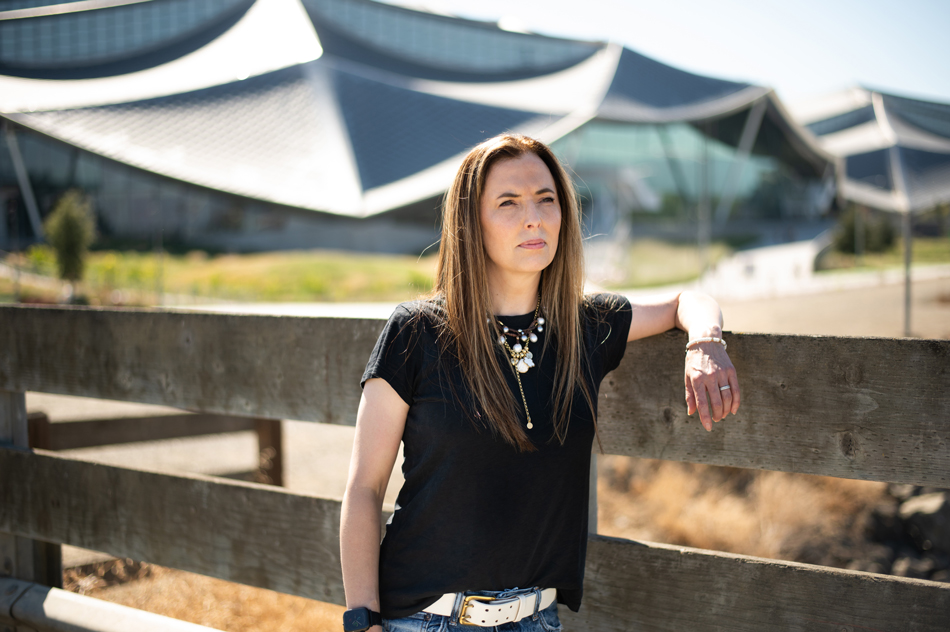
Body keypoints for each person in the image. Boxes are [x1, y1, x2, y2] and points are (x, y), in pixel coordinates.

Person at [340, 134, 739, 632]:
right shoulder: (417, 331)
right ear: (471, 222)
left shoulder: (584, 326)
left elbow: (688, 300)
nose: (534, 217)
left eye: (546, 199)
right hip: (426, 619)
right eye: (508, 202)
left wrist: (705, 342)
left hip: (536, 620)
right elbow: (363, 489)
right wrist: (362, 620)